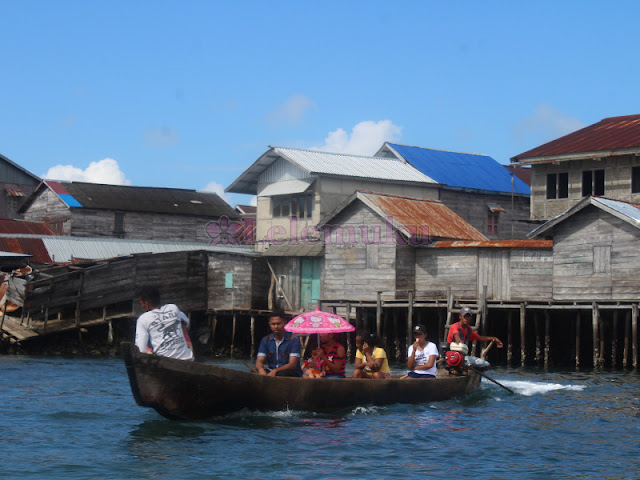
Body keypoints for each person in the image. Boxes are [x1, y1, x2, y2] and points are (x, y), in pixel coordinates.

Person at [135, 286, 194, 361]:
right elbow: (186, 322)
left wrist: (149, 351)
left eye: (142, 303)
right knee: (181, 322)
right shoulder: (173, 308)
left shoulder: (143, 319)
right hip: (188, 360)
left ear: (146, 303)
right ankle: (189, 353)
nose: (142, 306)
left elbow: (140, 349)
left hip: (165, 362)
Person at [256, 310, 302, 377]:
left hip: (291, 372)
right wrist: (261, 370)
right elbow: (259, 361)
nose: (276, 327)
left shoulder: (294, 339)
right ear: (270, 324)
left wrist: (275, 370)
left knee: (281, 374)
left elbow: (292, 364)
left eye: (278, 324)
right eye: (273, 324)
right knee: (254, 372)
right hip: (271, 371)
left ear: (285, 323)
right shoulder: (265, 340)